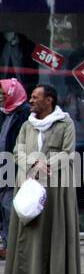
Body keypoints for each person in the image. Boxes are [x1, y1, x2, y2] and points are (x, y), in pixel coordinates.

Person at [2, 84, 80, 274]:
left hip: (55, 187)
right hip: (28, 184)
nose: (31, 101)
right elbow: (17, 149)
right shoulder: (28, 124)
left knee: (53, 234)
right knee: (28, 234)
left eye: (36, 97)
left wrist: (46, 165)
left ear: (49, 101)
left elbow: (68, 153)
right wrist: (32, 163)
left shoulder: (65, 123)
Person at [0, 79, 31, 258]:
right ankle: (7, 244)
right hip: (3, 166)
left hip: (16, 166)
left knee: (10, 206)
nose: (2, 98)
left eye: (5, 94)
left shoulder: (24, 113)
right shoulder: (6, 112)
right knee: (4, 207)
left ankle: (15, 246)